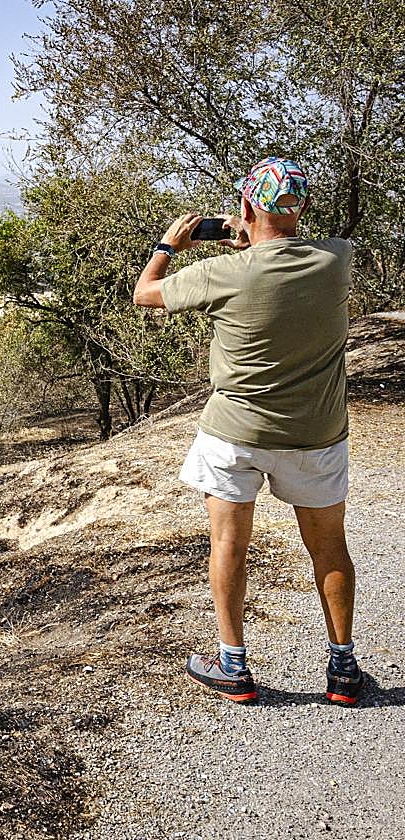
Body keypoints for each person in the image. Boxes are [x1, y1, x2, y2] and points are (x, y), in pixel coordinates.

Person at [132, 157, 363, 705]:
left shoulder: (223, 273)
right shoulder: (337, 261)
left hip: (235, 434)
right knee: (329, 547)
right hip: (317, 434)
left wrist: (168, 247)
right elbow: (283, 260)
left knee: (229, 542)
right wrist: (257, 238)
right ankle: (344, 669)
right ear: (302, 208)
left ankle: (233, 665)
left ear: (244, 206)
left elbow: (146, 293)